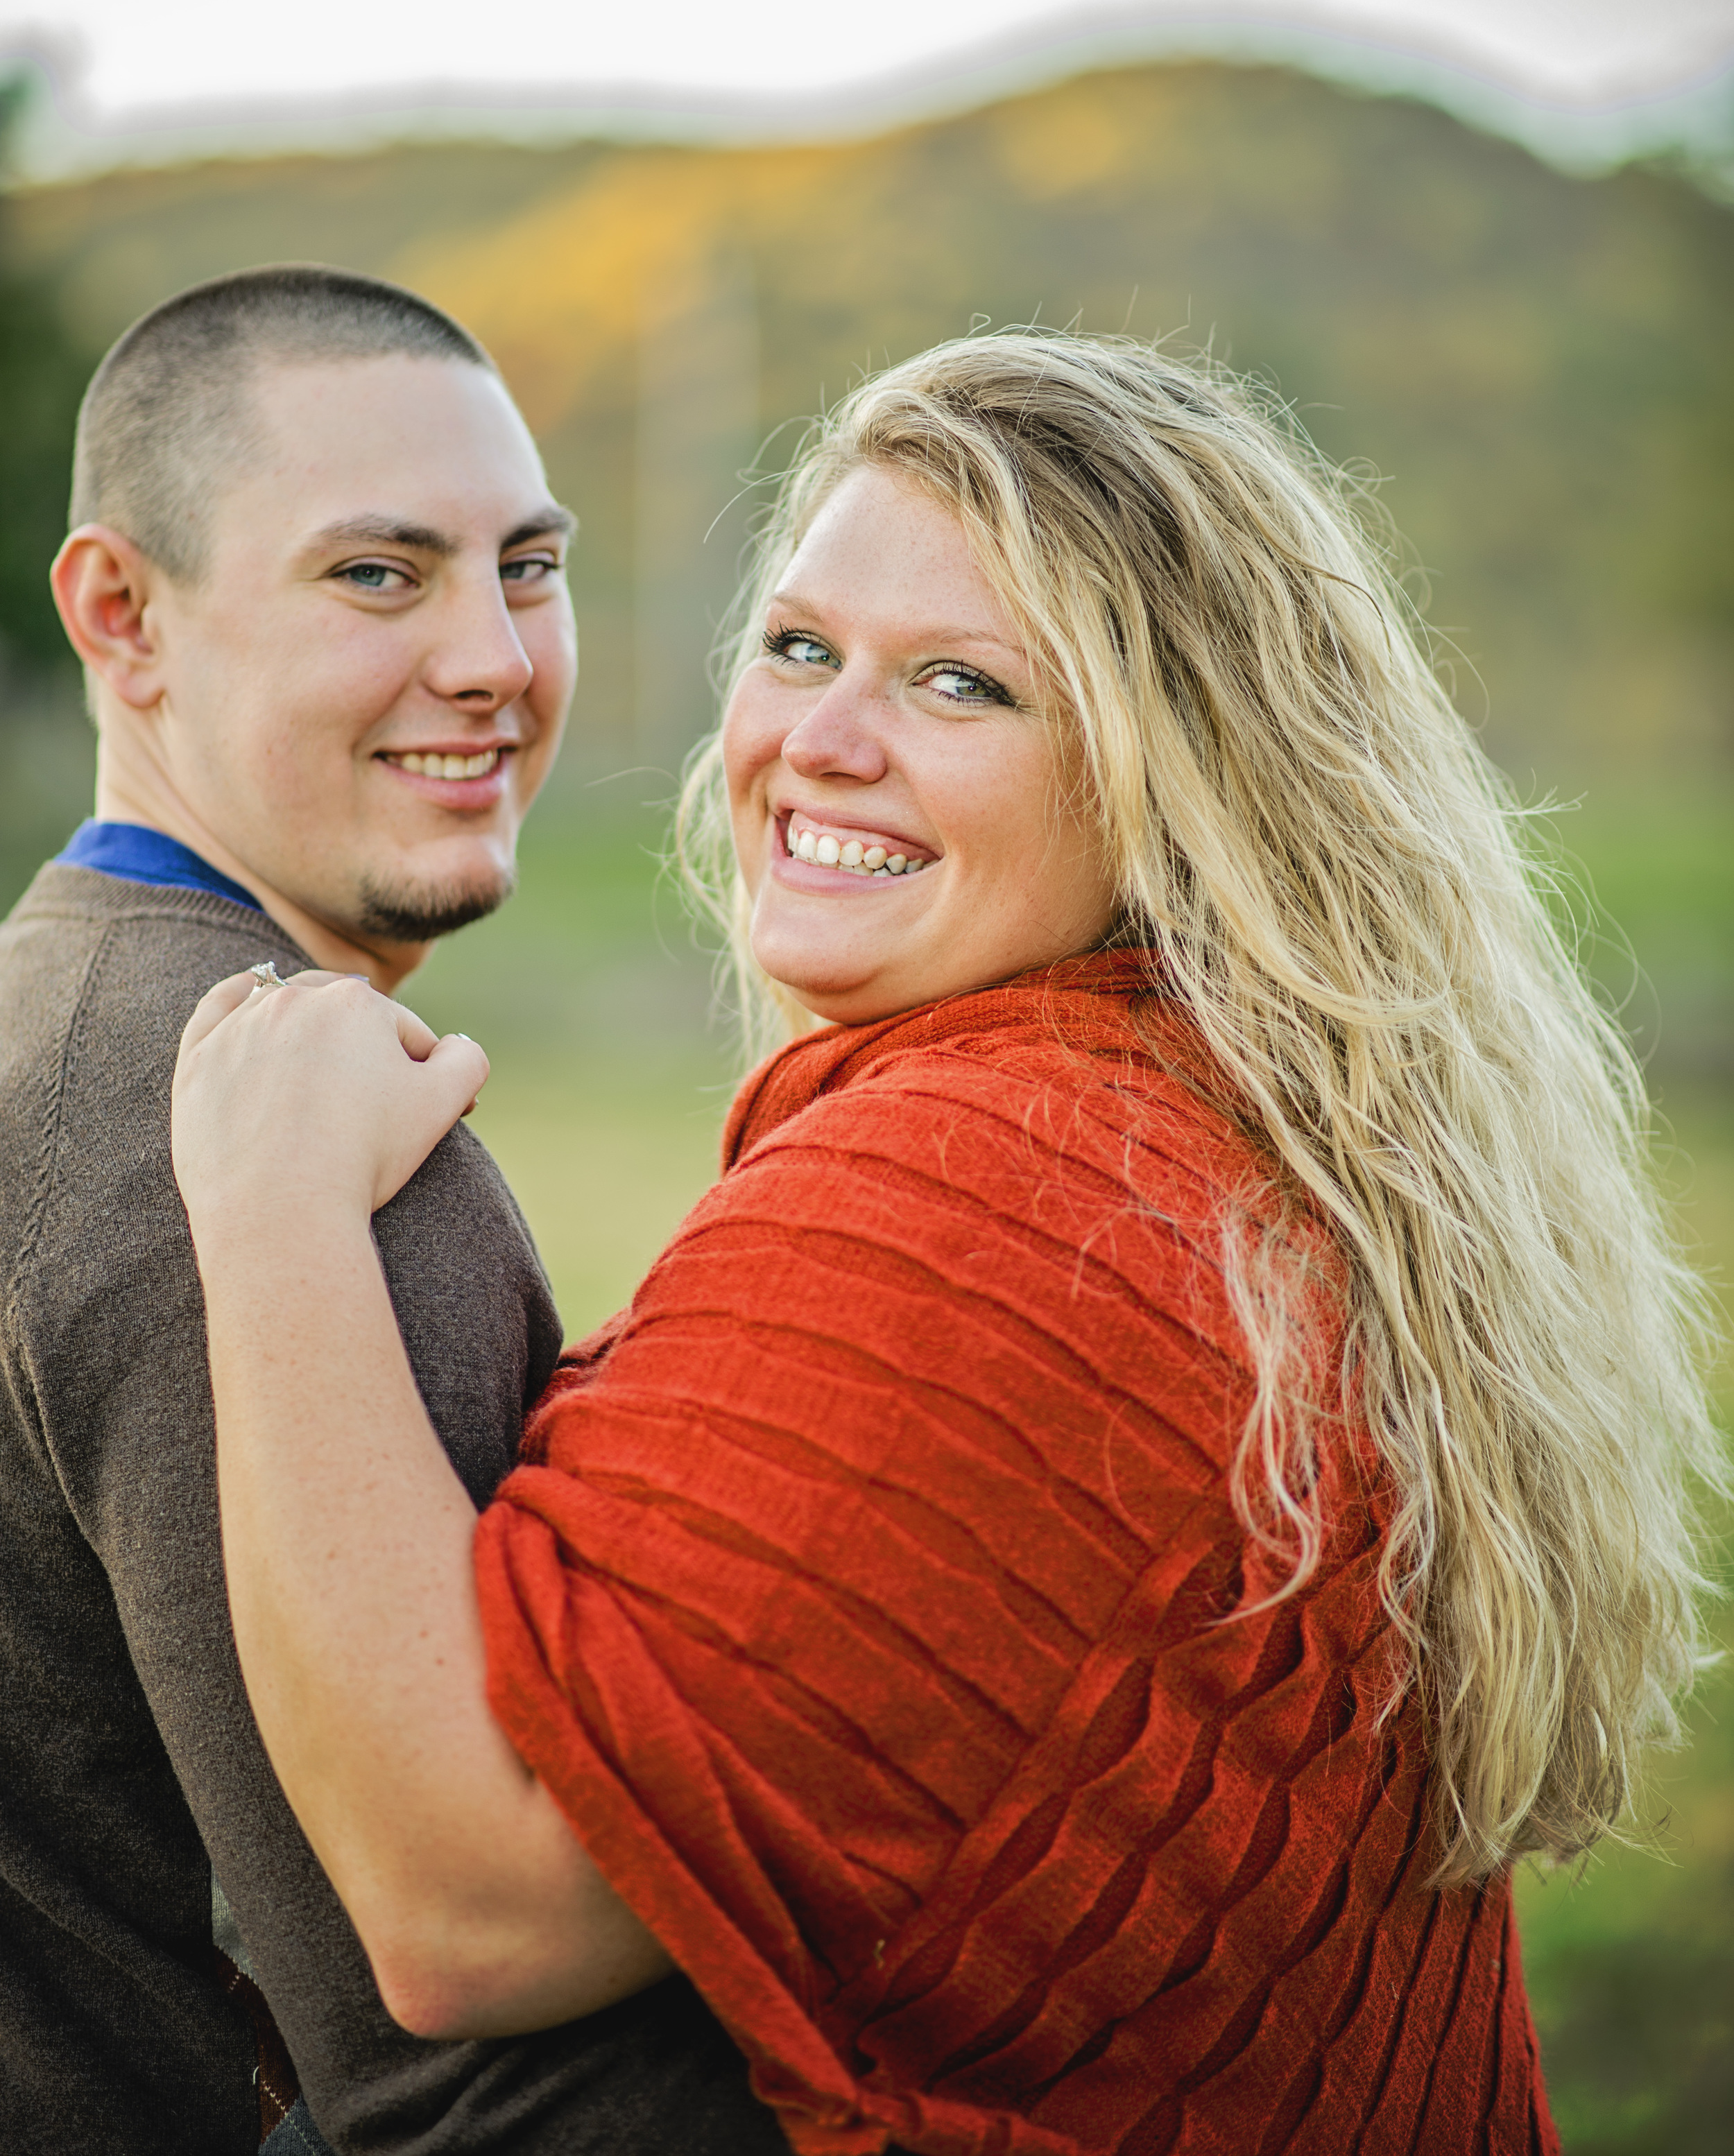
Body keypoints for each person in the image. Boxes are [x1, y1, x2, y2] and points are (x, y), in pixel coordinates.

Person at [172, 331, 1722, 2155]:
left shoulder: (1014, 1195)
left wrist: (268, 1207)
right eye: (800, 647)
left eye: (963, 685)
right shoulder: (1201, 1133)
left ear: (1178, 778)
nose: (819, 740)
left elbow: (466, 1912)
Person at [0, 265, 784, 2154]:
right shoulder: (256, 1148)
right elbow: (465, 2076)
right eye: (379, 573)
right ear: (126, 616)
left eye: (528, 563)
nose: (500, 659)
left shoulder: (45, 1005)